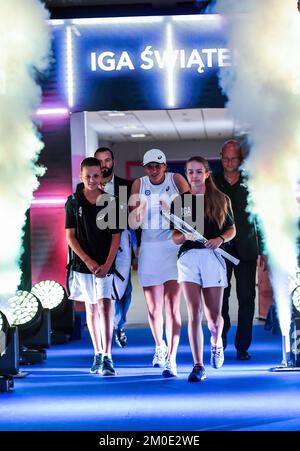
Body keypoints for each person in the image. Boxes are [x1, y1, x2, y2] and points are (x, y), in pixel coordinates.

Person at [170, 156, 236, 382]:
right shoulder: (180, 202)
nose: (195, 176)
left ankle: (216, 343)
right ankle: (198, 365)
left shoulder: (220, 199)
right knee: (194, 312)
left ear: (207, 174)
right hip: (188, 258)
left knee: (214, 318)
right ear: (187, 175)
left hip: (213, 258)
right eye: (191, 172)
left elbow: (231, 229)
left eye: (199, 171)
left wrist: (219, 239)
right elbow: (175, 238)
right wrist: (184, 236)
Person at [130, 149, 190, 377]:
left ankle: (172, 360)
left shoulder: (177, 180)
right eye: (149, 167)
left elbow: (190, 211)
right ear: (145, 168)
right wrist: (140, 211)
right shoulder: (139, 184)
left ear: (165, 166)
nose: (154, 170)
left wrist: (172, 214)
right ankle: (159, 347)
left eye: (158, 166)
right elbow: (133, 223)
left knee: (172, 307)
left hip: (173, 247)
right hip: (149, 249)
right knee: (154, 309)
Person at [65, 157, 120, 376]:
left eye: (96, 175)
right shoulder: (72, 202)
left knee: (105, 306)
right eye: (87, 176)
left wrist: (107, 264)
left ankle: (107, 356)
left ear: (101, 176)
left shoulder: (112, 201)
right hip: (83, 264)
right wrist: (88, 261)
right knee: (91, 307)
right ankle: (97, 352)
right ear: (81, 176)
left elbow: (116, 237)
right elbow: (70, 236)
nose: (92, 179)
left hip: (105, 264)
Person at [214, 140, 265, 360]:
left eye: (233, 158)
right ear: (221, 156)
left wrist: (263, 249)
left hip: (246, 248)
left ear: (240, 158)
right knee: (220, 298)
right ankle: (221, 343)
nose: (229, 162)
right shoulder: (212, 181)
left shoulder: (252, 182)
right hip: (220, 249)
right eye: (225, 158)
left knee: (247, 299)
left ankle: (242, 347)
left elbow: (261, 217)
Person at [94, 147, 135, 349]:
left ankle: (119, 325)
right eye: (100, 161)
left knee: (125, 291)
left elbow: (135, 219)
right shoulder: (86, 189)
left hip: (123, 245)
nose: (104, 165)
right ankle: (106, 332)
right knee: (103, 293)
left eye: (107, 160)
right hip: (97, 246)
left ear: (113, 161)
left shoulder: (127, 187)